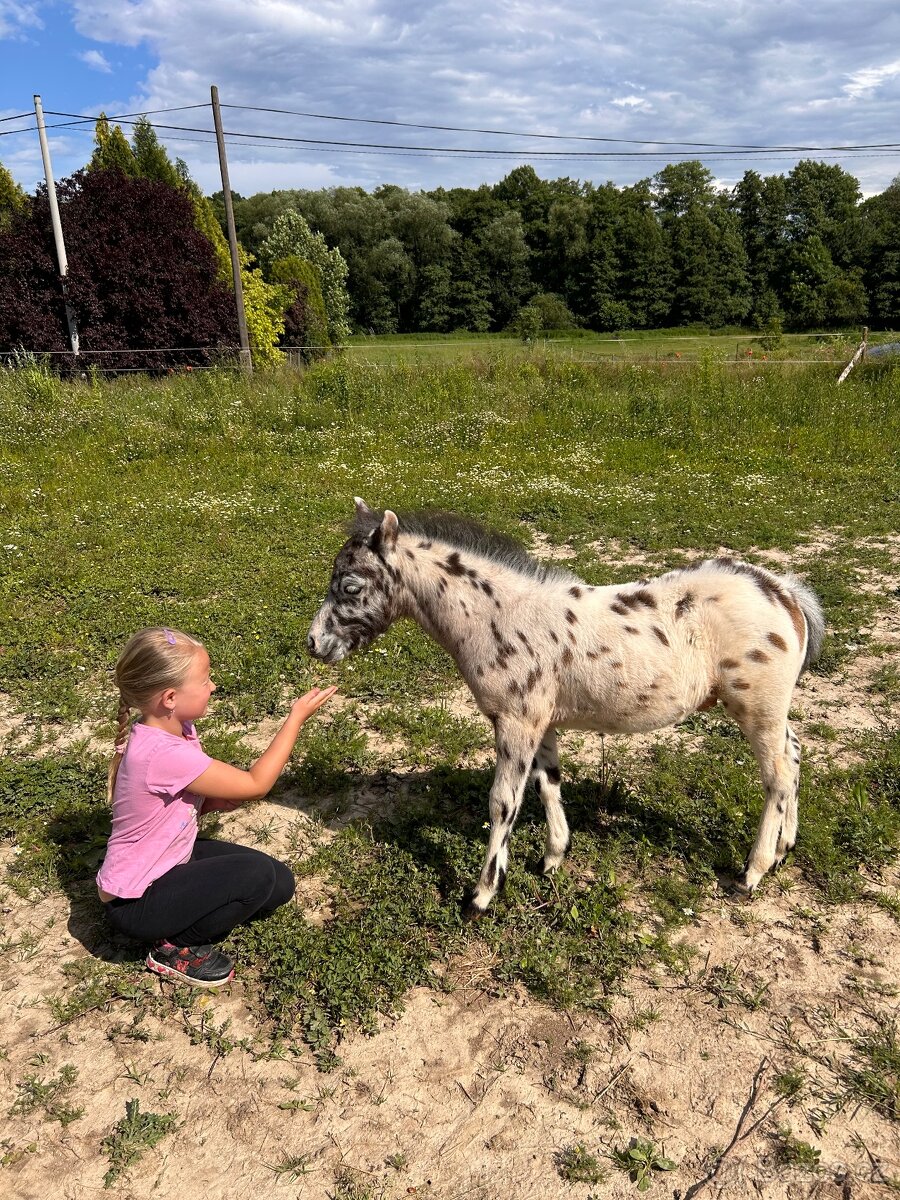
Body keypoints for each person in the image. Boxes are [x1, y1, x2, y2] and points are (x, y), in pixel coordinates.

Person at [96, 626, 336, 989]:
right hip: (135, 902)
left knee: (279, 884)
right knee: (256, 875)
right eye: (205, 680)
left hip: (168, 862)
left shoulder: (174, 729)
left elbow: (164, 808)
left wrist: (209, 804)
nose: (213, 687)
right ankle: (174, 949)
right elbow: (256, 784)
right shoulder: (162, 752)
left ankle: (186, 916)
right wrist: (295, 719)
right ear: (171, 698)